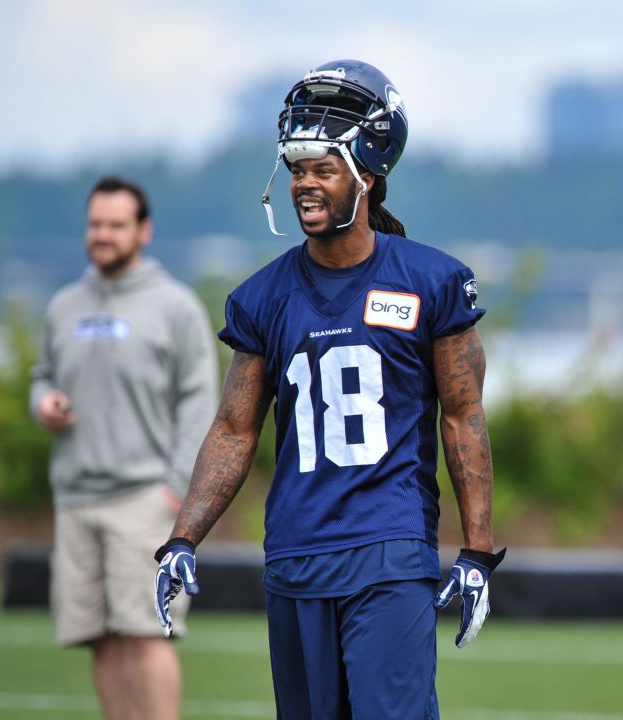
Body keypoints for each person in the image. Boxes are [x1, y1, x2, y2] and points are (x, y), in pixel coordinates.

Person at [152, 59, 504, 719]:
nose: (304, 185)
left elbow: (463, 416)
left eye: (323, 169)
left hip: (389, 549)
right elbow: (235, 428)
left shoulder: (431, 281)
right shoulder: (262, 297)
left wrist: (479, 549)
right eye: (296, 169)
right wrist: (183, 538)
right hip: (295, 553)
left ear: (367, 177)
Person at [31, 176, 218, 720]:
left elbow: (201, 404)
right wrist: (43, 402)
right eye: (95, 224)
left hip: (145, 499)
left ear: (144, 231)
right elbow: (41, 376)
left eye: (116, 225)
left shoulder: (176, 306)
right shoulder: (64, 305)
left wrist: (174, 492)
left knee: (146, 634)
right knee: (101, 638)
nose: (103, 235)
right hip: (75, 498)